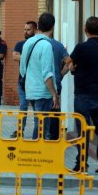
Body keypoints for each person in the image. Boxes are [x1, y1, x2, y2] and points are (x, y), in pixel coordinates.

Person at [69, 16, 98, 176]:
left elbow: (69, 62)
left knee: (83, 131)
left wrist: (73, 67)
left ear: (85, 29)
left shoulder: (82, 48)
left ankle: (82, 164)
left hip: (83, 94)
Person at [19, 12, 59, 140]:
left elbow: (22, 69)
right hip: (43, 92)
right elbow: (47, 74)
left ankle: (35, 152)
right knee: (42, 127)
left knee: (39, 123)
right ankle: (36, 154)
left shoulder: (28, 43)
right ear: (52, 27)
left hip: (30, 90)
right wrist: (54, 94)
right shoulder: (46, 45)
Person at [11, 21, 37, 138]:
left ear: (35, 30)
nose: (25, 32)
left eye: (28, 30)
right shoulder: (20, 44)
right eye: (25, 29)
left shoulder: (38, 43)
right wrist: (30, 58)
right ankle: (20, 130)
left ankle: (38, 133)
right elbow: (15, 56)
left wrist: (23, 57)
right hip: (22, 82)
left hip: (36, 82)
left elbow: (19, 57)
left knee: (37, 109)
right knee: (23, 107)